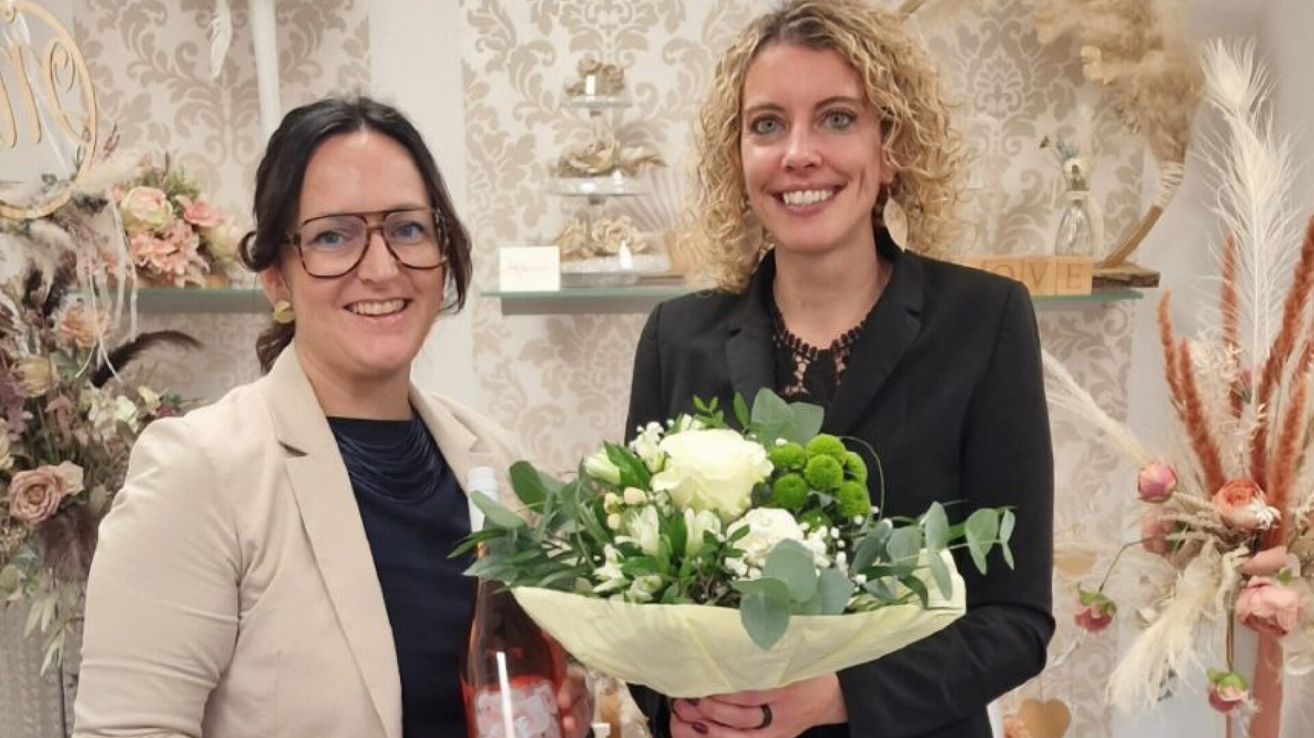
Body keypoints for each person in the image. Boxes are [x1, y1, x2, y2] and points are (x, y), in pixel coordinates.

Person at [73, 96, 590, 738]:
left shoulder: (499, 462)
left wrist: (564, 706)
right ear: (276, 277)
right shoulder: (200, 471)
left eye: (407, 229)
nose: (380, 268)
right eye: (333, 236)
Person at [624, 2, 1054, 737]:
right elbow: (634, 598)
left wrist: (841, 697)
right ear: (738, 158)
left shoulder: (986, 322)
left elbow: (1014, 620)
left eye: (837, 118)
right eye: (766, 125)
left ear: (892, 148)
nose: (798, 153)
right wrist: (683, 707)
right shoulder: (677, 336)